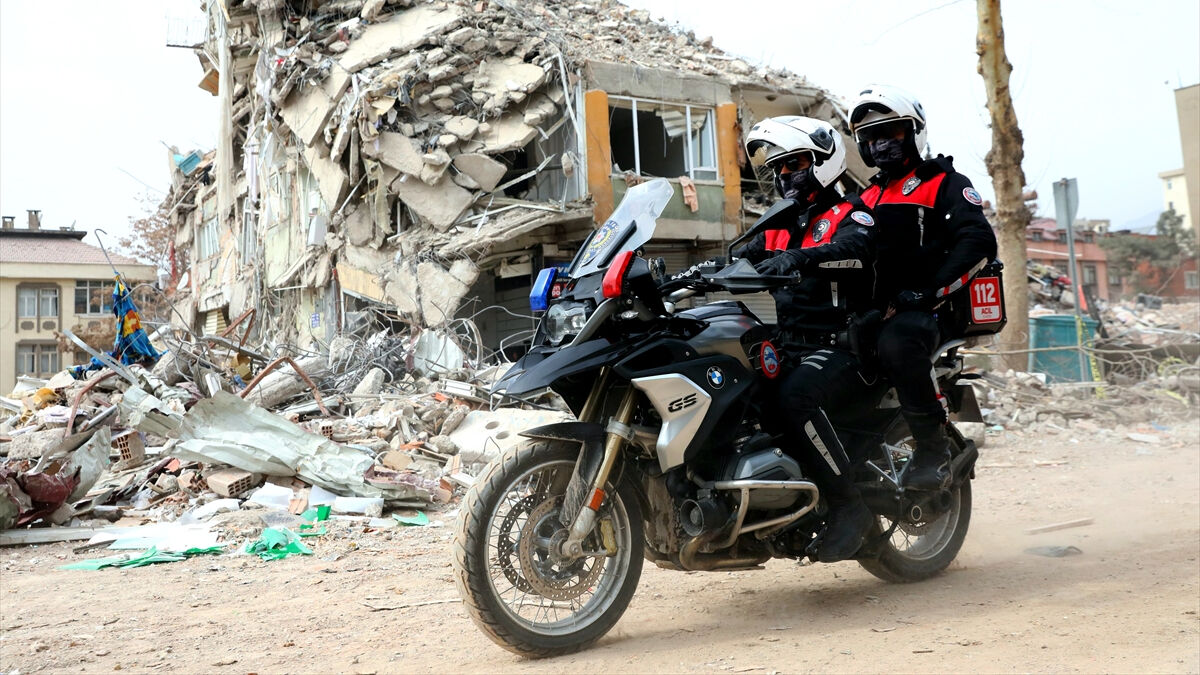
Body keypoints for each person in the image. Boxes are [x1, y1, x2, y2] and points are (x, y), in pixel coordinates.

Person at [737, 116, 878, 562]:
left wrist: (798, 259)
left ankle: (849, 506)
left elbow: (854, 250)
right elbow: (738, 254)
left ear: (824, 161)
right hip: (788, 342)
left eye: (794, 163)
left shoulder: (850, 213)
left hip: (840, 345)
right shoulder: (778, 223)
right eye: (778, 168)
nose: (784, 175)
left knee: (793, 399)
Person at [848, 85, 998, 491]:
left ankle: (934, 448)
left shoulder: (943, 182)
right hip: (882, 309)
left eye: (892, 133)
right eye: (871, 138)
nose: (881, 145)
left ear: (914, 133)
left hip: (931, 308)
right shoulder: (868, 196)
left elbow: (978, 241)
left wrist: (928, 292)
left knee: (899, 343)